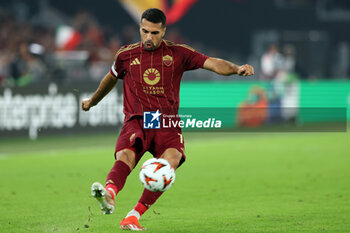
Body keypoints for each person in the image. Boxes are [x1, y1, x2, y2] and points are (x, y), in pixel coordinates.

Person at [82, 8, 254, 231]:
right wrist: (92, 101)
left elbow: (211, 63)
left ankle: (133, 216)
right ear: (140, 29)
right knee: (127, 154)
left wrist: (237, 69)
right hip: (138, 119)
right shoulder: (126, 55)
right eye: (144, 31)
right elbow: (111, 78)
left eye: (154, 33)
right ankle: (110, 194)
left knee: (170, 162)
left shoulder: (178, 53)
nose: (148, 37)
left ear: (163, 31)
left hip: (166, 123)